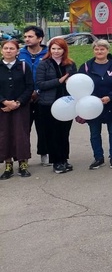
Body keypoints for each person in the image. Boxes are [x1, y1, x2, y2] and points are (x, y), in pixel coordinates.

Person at [78, 40, 112, 170]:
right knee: (94, 133)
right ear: (93, 51)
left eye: (102, 49)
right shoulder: (85, 67)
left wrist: (110, 97)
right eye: (96, 49)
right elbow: (80, 85)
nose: (99, 52)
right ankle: (98, 158)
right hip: (92, 106)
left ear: (108, 50)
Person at [35, 37, 77, 174]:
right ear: (50, 49)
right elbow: (40, 84)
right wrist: (59, 81)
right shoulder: (44, 64)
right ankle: (56, 162)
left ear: (64, 50)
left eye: (59, 48)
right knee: (52, 133)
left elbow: (76, 83)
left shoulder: (70, 64)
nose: (56, 51)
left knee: (64, 133)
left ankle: (64, 159)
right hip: (49, 104)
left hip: (67, 103)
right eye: (53, 48)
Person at [0, 39, 35, 179]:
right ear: (2, 50)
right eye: (6, 48)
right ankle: (8, 165)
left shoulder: (24, 66)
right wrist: (4, 102)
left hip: (21, 107)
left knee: (21, 135)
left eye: (12, 49)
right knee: (4, 135)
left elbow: (29, 87)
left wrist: (18, 102)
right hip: (2, 108)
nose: (8, 51)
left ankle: (23, 163)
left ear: (17, 51)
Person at [19, 25, 48, 166]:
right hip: (25, 98)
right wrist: (26, 94)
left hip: (43, 96)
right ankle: (23, 157)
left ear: (40, 38)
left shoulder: (48, 54)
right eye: (25, 37)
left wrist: (39, 91)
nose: (27, 39)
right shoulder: (20, 54)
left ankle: (44, 154)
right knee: (24, 128)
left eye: (30, 36)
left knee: (43, 127)